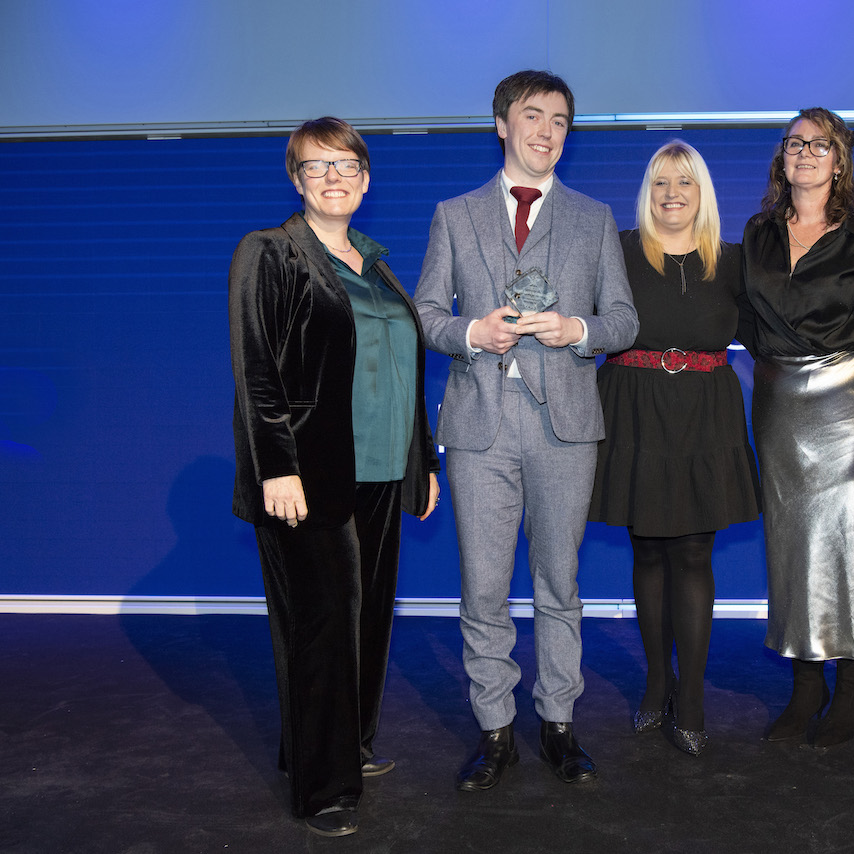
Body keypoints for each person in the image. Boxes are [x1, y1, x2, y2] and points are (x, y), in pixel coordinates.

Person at [413, 70, 638, 791]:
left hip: (565, 427)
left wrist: (578, 329)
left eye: (561, 121)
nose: (546, 131)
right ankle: (495, 730)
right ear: (502, 124)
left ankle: (560, 724)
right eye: (533, 116)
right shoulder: (455, 215)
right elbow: (423, 315)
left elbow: (624, 321)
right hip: (480, 425)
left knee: (559, 583)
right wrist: (471, 332)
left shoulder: (594, 218)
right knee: (482, 588)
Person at [229, 117, 441, 838]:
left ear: (367, 178)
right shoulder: (271, 254)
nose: (334, 178)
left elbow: (404, 367)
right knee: (322, 626)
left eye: (347, 165)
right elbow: (256, 374)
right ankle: (321, 787)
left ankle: (345, 745)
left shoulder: (375, 264)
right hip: (308, 477)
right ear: (296, 179)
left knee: (369, 619)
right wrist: (275, 469)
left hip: (381, 471)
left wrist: (425, 459)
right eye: (317, 167)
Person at [589, 140, 761, 756]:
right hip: (633, 409)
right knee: (649, 552)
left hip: (706, 414)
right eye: (660, 182)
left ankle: (691, 697)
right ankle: (655, 684)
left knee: (693, 555)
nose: (671, 194)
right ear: (648, 191)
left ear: (702, 192)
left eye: (684, 183)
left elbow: (779, 328)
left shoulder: (733, 260)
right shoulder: (621, 251)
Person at [739, 108, 854, 751]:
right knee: (790, 541)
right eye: (794, 142)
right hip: (778, 397)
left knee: (850, 539)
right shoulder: (757, 232)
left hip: (847, 398)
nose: (804, 152)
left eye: (819, 144)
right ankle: (805, 688)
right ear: (782, 157)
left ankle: (852, 683)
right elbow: (740, 311)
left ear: (840, 160)